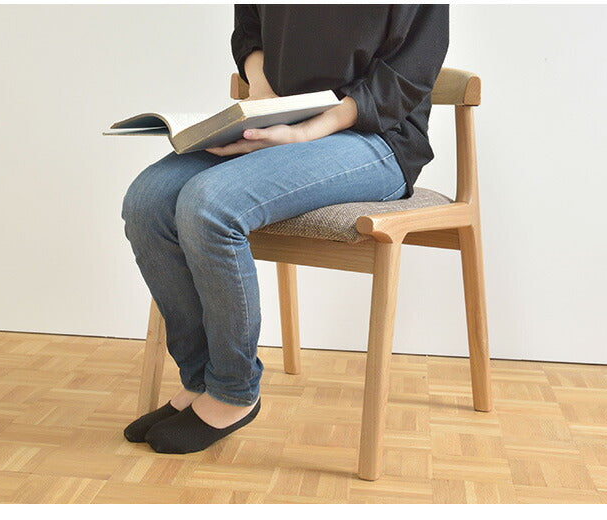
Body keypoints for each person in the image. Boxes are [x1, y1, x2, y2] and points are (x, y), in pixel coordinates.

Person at [121, 4, 449, 454]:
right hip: (281, 119)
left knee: (210, 206)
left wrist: (307, 131)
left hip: (377, 137)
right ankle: (200, 382)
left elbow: (409, 71)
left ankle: (233, 391)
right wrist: (265, 97)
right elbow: (250, 28)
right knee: (147, 201)